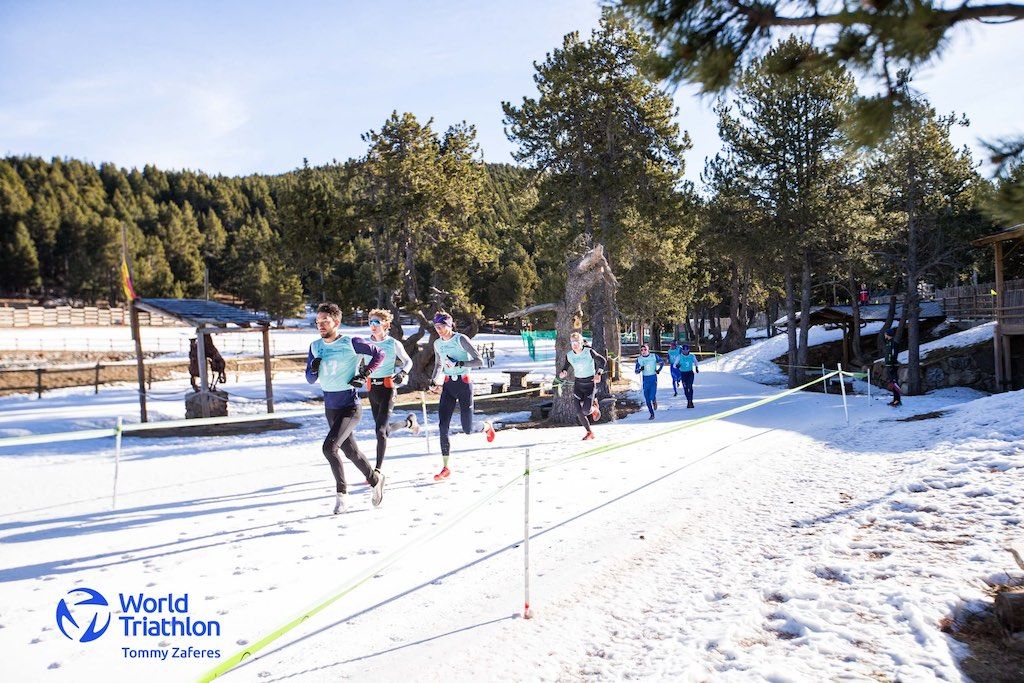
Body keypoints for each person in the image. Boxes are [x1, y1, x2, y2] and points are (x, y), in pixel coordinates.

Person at [306, 302, 387, 514]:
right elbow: (310, 379)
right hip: (330, 408)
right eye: (318, 322)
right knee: (351, 452)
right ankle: (375, 479)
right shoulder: (315, 347)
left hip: (350, 407)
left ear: (337, 322)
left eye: (325, 321)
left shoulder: (351, 342)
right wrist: (314, 369)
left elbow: (379, 354)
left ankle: (341, 496)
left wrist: (364, 374)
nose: (320, 325)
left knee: (329, 448)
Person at [428, 311, 495, 481]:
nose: (439, 330)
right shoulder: (437, 344)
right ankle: (445, 467)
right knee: (443, 427)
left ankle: (486, 426)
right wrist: (433, 380)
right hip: (448, 386)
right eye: (436, 327)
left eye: (442, 326)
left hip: (464, 385)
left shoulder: (461, 339)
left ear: (450, 325)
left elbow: (479, 360)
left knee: (467, 429)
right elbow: (438, 364)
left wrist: (459, 363)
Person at [365, 308, 420, 473]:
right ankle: (408, 422)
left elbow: (408, 362)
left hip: (388, 388)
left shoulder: (392, 343)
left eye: (376, 322)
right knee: (384, 431)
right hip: (371, 389)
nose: (373, 326)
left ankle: (377, 471)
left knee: (380, 431)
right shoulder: (365, 343)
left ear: (386, 324)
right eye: (370, 322)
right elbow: (356, 364)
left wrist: (402, 373)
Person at [559, 332, 608, 440]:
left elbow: (602, 361)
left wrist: (598, 373)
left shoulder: (589, 352)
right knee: (579, 412)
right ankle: (589, 432)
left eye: (576, 342)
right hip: (578, 384)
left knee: (586, 411)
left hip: (590, 384)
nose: (574, 344)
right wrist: (563, 372)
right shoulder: (569, 355)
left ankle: (594, 408)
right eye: (572, 342)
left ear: (581, 343)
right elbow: (565, 367)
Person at [634, 344, 664, 420]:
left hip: (653, 378)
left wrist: (658, 370)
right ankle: (652, 414)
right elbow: (636, 371)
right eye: (642, 350)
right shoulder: (639, 359)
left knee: (651, 396)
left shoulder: (653, 356)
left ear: (648, 350)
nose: (643, 351)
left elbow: (662, 362)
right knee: (647, 399)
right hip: (645, 379)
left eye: (645, 349)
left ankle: (654, 400)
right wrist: (640, 369)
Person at [673, 343, 699, 408]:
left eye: (686, 350)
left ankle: (690, 401)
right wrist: (677, 366)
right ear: (682, 351)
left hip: (690, 373)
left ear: (688, 350)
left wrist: (696, 368)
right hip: (683, 374)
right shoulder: (679, 356)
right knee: (685, 388)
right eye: (683, 350)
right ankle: (688, 401)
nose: (685, 351)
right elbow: (674, 365)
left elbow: (696, 362)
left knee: (690, 386)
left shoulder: (692, 356)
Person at [883, 328, 902, 407]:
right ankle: (895, 400)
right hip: (889, 365)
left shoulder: (893, 344)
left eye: (885, 334)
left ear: (888, 334)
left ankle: (897, 400)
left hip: (892, 365)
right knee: (892, 383)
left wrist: (891, 365)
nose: (884, 335)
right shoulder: (888, 343)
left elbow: (894, 355)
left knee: (895, 383)